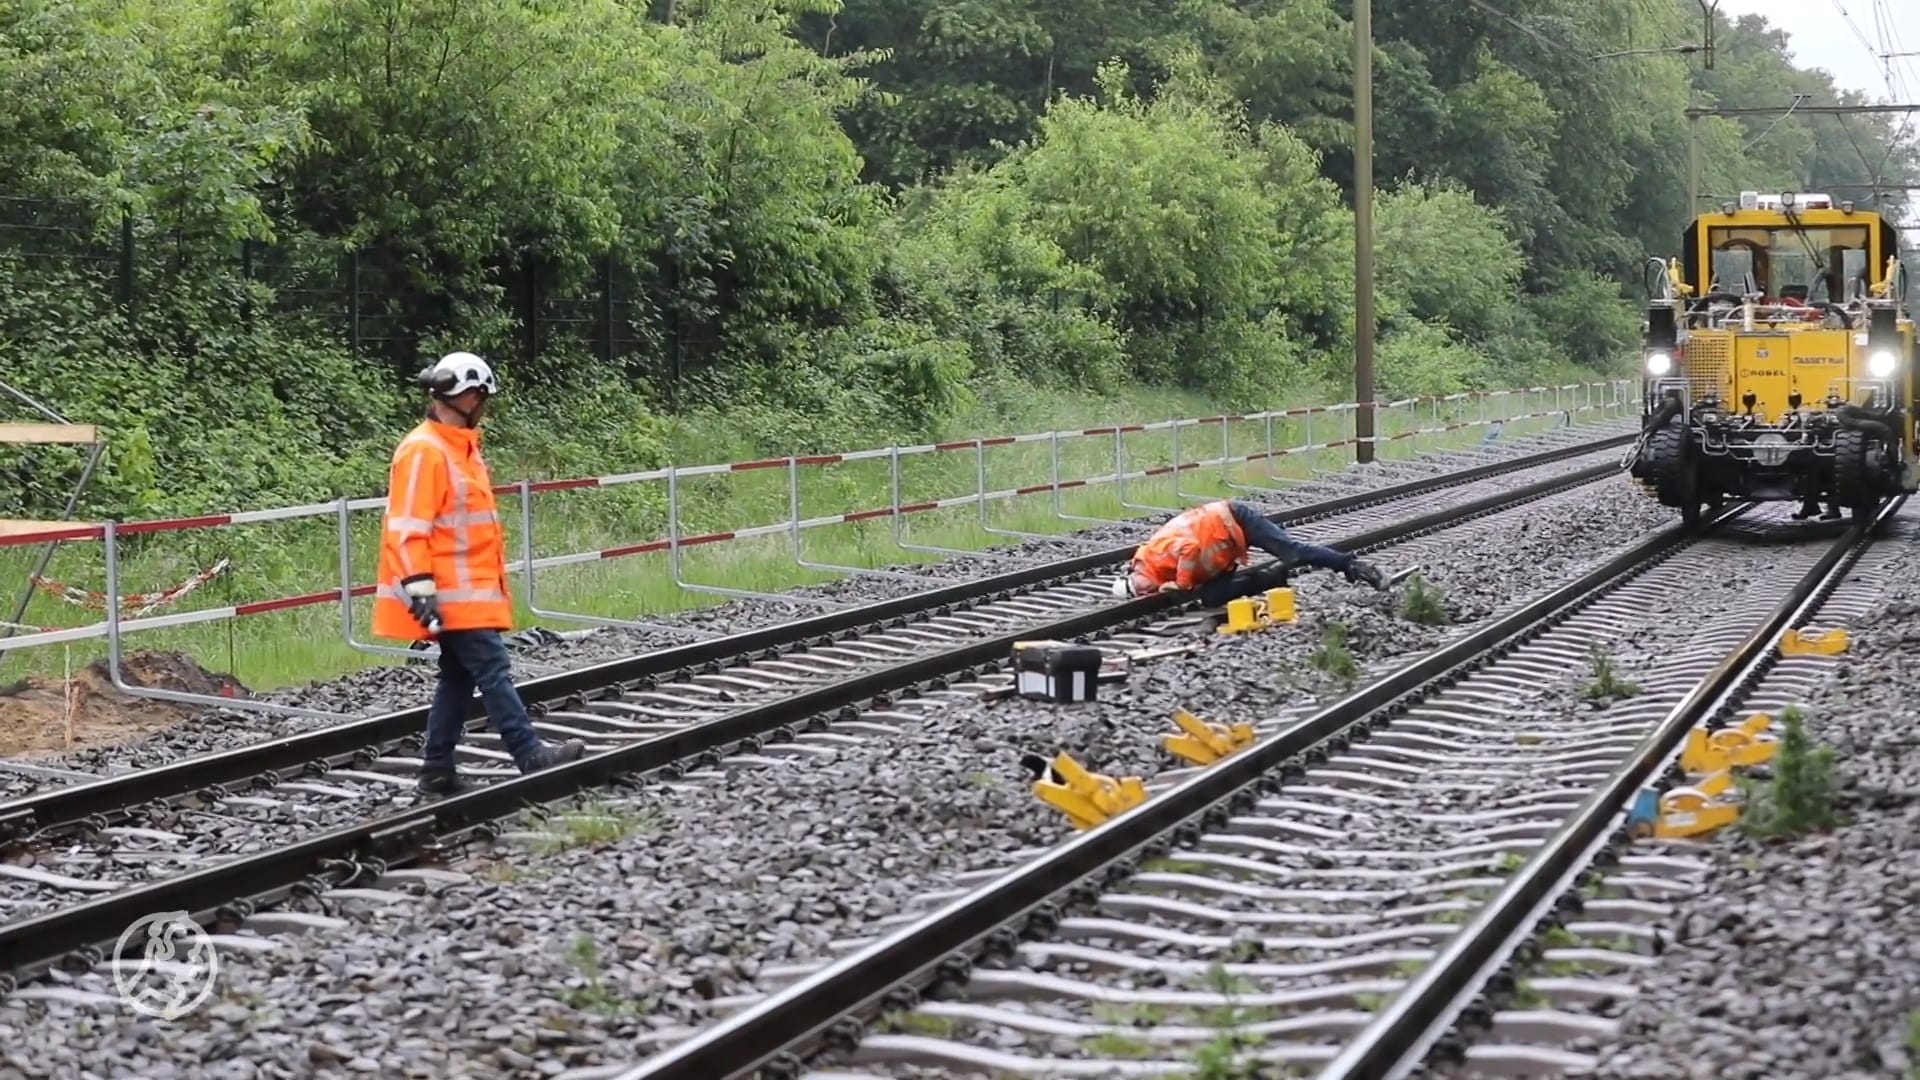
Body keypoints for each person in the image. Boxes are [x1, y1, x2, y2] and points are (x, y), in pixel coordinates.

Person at [374, 351, 586, 796]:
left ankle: (436, 769)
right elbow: (407, 525)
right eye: (481, 396)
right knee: (493, 668)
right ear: (468, 397)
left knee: (458, 676)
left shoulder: (462, 450)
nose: (484, 404)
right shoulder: (423, 451)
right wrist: (419, 590)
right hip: (445, 593)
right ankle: (530, 755)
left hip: (468, 593)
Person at [1110, 498, 1391, 607]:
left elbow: (1190, 547)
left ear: (1135, 574)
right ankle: (1272, 578)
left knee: (1292, 552)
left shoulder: (1154, 555)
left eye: (1140, 588)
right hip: (1225, 549)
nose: (1147, 592)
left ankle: (1355, 567)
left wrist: (1182, 583)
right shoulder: (1158, 575)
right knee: (1211, 598)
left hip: (1234, 520)